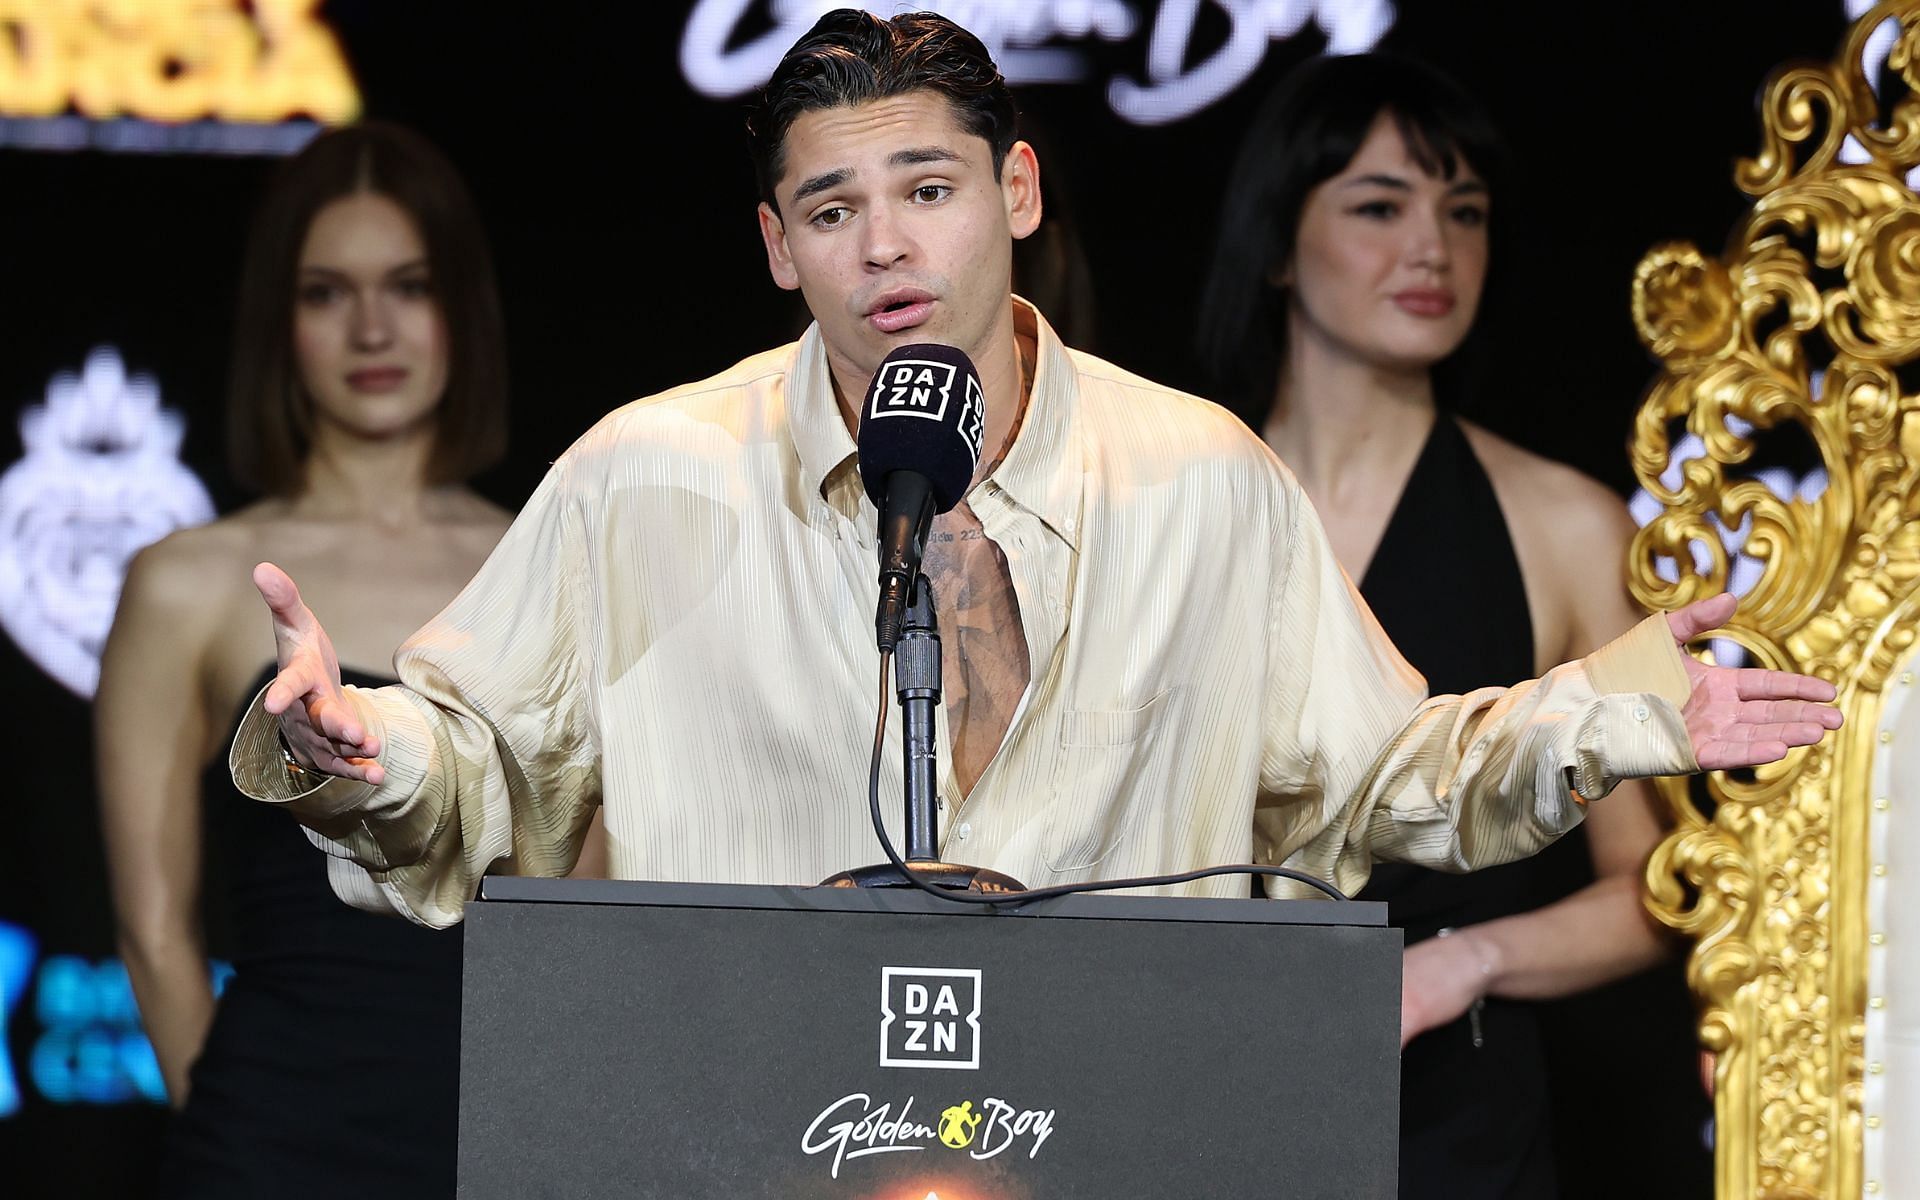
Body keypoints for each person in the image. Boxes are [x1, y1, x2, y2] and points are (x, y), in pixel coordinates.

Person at [227, 11, 1834, 967]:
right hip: (748, 1131)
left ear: (1017, 191)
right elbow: (483, 765)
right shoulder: (650, 472)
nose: (888, 246)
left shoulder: (1203, 479)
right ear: (780, 248)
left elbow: (1376, 780)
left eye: (927, 188)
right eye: (833, 208)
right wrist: (360, 745)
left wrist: (1620, 708)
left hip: (1117, 1136)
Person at [1197, 54, 1690, 1195]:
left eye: (1463, 212)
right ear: (1276, 242)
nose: (1432, 246)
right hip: (1195, 1079)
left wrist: (1462, 964)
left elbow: (1668, 882)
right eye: (1380, 206)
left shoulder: (1570, 522)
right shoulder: (1171, 499)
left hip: (1457, 1118)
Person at [94, 121, 522, 1196]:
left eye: (409, 286)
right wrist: (240, 1137)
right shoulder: (187, 582)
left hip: (503, 1144)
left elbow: (604, 900)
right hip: (267, 1139)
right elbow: (152, 931)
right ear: (277, 322)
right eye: (326, 291)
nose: (371, 326)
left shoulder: (549, 557)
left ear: (460, 308)